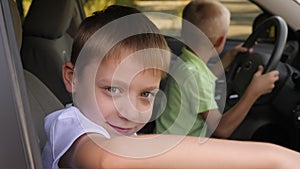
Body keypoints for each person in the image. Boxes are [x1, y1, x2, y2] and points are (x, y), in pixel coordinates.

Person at [41, 5, 300, 169]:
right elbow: (105, 159)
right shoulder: (70, 126)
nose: (129, 112)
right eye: (112, 90)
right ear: (72, 78)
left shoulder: (115, 130)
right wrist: (274, 158)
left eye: (145, 94)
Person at [155, 0, 280, 138]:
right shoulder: (195, 75)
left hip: (172, 142)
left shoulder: (186, 63)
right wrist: (253, 93)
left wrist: (229, 57)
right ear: (220, 41)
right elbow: (222, 129)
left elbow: (204, 78)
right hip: (179, 152)